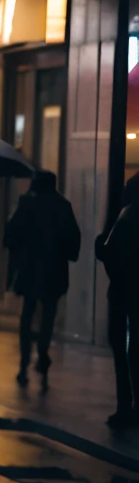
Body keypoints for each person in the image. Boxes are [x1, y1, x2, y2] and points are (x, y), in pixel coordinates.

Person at [4, 170, 81, 389]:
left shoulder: (28, 205)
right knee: (48, 313)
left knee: (27, 314)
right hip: (54, 270)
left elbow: (11, 235)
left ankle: (24, 361)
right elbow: (73, 240)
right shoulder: (62, 206)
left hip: (29, 269)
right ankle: (43, 352)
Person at [97, 172, 139, 427]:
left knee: (125, 351)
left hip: (124, 293)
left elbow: (111, 255)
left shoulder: (127, 215)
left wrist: (99, 246)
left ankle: (127, 406)